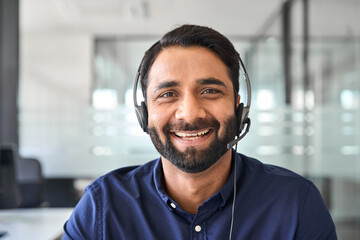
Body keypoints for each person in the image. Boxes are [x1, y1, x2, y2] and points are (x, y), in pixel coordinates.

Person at [62, 24, 337, 240]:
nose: (190, 113)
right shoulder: (102, 207)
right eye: (168, 94)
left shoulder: (296, 204)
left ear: (239, 108)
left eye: (210, 91)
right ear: (144, 114)